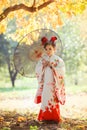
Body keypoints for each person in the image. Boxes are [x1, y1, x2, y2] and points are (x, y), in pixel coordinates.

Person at [34, 36, 66, 123]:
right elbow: (37, 70)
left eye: (50, 49)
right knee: (45, 98)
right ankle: (45, 117)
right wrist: (43, 66)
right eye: (46, 49)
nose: (48, 51)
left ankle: (55, 117)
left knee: (53, 99)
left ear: (54, 49)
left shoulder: (58, 60)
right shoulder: (42, 59)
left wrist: (52, 65)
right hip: (45, 83)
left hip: (54, 84)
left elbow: (61, 71)